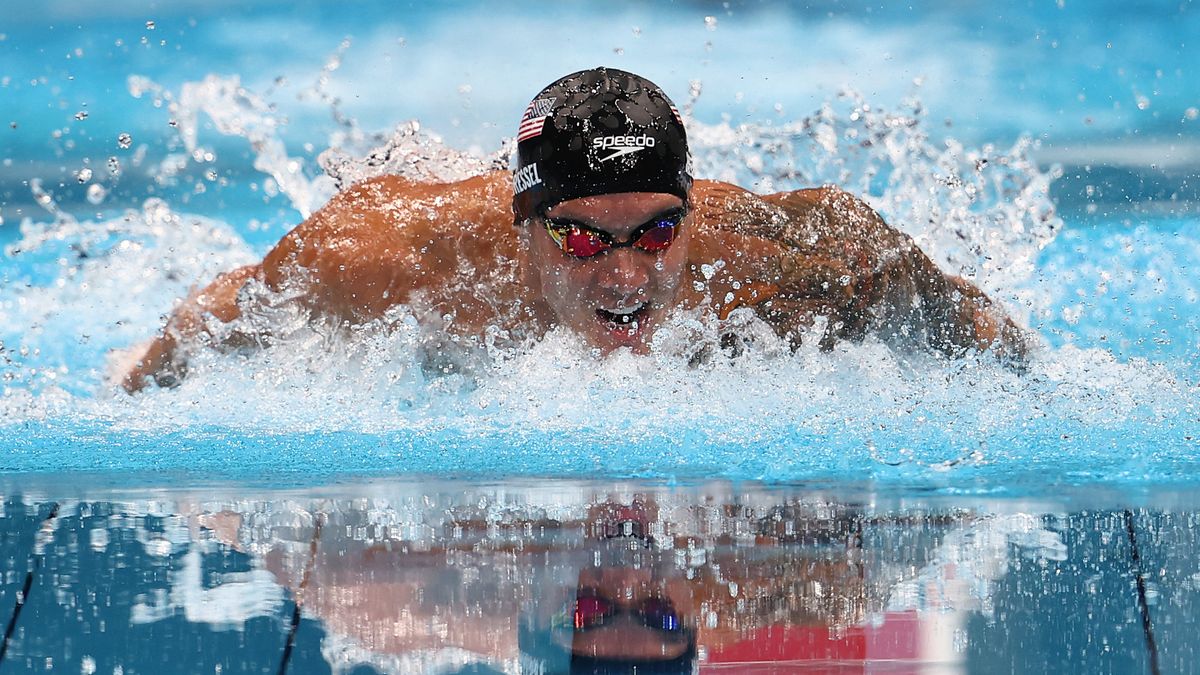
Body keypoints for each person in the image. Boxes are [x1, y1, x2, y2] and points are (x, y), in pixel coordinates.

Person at [120, 67, 1028, 392]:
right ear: (525, 229)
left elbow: (930, 292)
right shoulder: (386, 259)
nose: (627, 275)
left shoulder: (772, 259)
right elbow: (227, 310)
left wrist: (1019, 365)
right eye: (584, 240)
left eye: (656, 233)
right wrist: (137, 386)